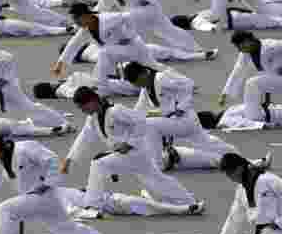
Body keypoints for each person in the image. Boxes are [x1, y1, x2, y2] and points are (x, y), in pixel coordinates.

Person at [0, 129, 120, 234]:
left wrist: (48, 183)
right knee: (67, 228)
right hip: (38, 199)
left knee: (4, 209)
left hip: (43, 194)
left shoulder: (25, 148)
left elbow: (51, 159)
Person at [63, 86, 201, 211]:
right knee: (157, 179)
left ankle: (92, 204)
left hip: (134, 153)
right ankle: (188, 200)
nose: (82, 110)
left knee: (98, 164)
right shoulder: (93, 119)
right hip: (130, 155)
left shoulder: (116, 111)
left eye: (83, 106)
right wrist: (69, 159)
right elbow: (83, 138)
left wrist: (130, 143)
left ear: (92, 100)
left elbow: (141, 121)